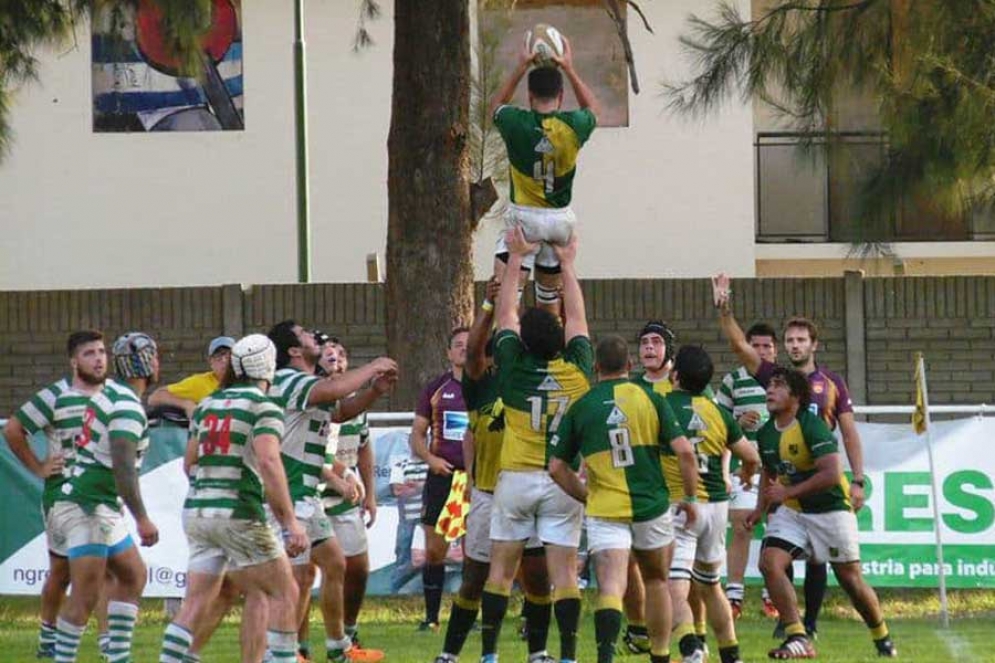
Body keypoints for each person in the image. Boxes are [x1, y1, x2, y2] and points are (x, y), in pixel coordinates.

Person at [712, 273, 867, 638]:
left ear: (814, 344)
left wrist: (858, 479)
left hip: (821, 479)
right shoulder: (775, 377)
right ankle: (790, 619)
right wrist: (724, 309)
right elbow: (740, 347)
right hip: (784, 477)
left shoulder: (832, 384)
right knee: (779, 549)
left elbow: (848, 432)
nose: (795, 345)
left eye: (801, 340)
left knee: (818, 557)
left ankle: (808, 624)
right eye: (790, 340)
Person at [548, 334, 699, 663]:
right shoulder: (651, 398)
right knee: (657, 580)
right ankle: (660, 655)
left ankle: (606, 657)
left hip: (606, 509)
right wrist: (689, 497)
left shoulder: (582, 406)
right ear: (630, 365)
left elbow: (556, 467)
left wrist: (586, 496)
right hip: (652, 506)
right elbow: (686, 453)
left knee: (611, 586)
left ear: (595, 367)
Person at [159, 334, 309, 663]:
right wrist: (290, 522)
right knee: (285, 592)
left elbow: (190, 463)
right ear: (268, 367)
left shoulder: (208, 404)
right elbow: (269, 461)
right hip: (240, 513)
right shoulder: (264, 406)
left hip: (199, 513)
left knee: (196, 602)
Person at [479, 227, 592, 663]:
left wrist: (515, 258)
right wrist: (567, 262)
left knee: (501, 572)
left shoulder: (511, 367)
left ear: (523, 342)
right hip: (562, 482)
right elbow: (578, 319)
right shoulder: (578, 370)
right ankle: (566, 655)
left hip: (517, 480)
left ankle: (489, 654)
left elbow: (506, 311)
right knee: (564, 574)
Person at [434, 281, 554, 663]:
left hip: (529, 489)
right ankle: (450, 654)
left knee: (535, 576)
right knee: (474, 577)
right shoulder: (480, 388)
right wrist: (488, 305)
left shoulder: (531, 383)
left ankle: (538, 653)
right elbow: (471, 352)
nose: (490, 360)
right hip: (488, 494)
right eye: (488, 356)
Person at [267, 320, 397, 663]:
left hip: (306, 494)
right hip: (290, 495)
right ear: (294, 350)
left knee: (335, 563)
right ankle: (285, 652)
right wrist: (373, 367)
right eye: (306, 335)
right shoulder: (288, 379)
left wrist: (374, 392)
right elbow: (333, 393)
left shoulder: (309, 383)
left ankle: (339, 649)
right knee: (297, 575)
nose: (315, 338)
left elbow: (339, 411)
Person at [746, 368, 897, 659]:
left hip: (831, 511)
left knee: (850, 581)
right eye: (769, 385)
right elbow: (769, 471)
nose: (770, 390)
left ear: (797, 397)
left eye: (779, 385)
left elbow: (830, 474)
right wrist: (758, 510)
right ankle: (797, 635)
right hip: (793, 512)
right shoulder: (766, 433)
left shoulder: (811, 426)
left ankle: (882, 636)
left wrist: (786, 493)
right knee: (769, 563)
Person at [50, 332, 161, 663]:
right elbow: (123, 467)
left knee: (133, 574)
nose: (158, 363)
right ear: (143, 362)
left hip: (89, 501)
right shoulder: (127, 404)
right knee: (85, 595)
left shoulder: (111, 391)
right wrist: (142, 518)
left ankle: (118, 657)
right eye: (153, 356)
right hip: (87, 507)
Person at [3, 331, 110, 659]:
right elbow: (13, 429)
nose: (99, 358)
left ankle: (109, 645)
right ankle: (49, 636)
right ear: (74, 361)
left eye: (102, 351)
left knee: (105, 570)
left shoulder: (113, 396)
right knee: (62, 573)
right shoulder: (55, 396)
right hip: (64, 498)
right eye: (90, 353)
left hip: (102, 496)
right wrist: (37, 466)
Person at [489, 32, 599, 312]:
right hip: (560, 221)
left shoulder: (516, 122)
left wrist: (521, 66)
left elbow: (494, 108)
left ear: (529, 96)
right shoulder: (574, 125)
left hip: (524, 217)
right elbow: (593, 109)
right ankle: (549, 347)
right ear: (561, 96)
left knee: (508, 296)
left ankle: (507, 342)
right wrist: (569, 68)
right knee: (548, 298)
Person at [663, 345, 760, 663]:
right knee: (710, 583)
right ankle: (731, 654)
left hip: (682, 503)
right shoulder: (718, 412)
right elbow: (751, 457)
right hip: (717, 506)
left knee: (673, 581)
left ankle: (690, 648)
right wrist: (746, 475)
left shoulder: (661, 407)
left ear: (674, 374)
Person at [318, 338, 382, 656]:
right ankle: (297, 647)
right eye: (329, 356)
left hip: (345, 497)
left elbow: (364, 446)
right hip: (310, 495)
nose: (337, 360)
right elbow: (315, 452)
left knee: (357, 568)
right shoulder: (314, 398)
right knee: (301, 575)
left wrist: (371, 494)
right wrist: (341, 475)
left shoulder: (353, 404)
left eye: (342, 355)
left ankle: (349, 633)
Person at [716, 322, 779, 620]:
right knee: (742, 524)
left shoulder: (783, 380)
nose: (762, 351)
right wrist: (737, 425)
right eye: (757, 345)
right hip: (746, 468)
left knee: (778, 530)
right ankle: (734, 596)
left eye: (767, 346)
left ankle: (773, 596)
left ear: (775, 350)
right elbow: (718, 427)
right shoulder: (732, 381)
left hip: (778, 467)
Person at [409, 328, 470, 632]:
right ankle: (432, 617)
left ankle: (471, 616)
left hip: (475, 481)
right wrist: (431, 460)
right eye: (458, 345)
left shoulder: (488, 386)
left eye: (470, 345)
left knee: (476, 550)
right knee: (435, 550)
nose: (464, 349)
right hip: (442, 479)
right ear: (448, 353)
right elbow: (416, 436)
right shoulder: (436, 388)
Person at [148, 336, 235, 417]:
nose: (224, 360)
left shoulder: (246, 381)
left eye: (228, 356)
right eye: (218, 356)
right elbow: (154, 398)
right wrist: (186, 404)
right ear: (210, 362)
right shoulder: (199, 383)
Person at [389, 448, 429, 593]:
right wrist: (423, 487)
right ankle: (396, 590)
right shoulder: (401, 465)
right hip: (407, 521)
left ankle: (419, 590)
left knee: (426, 558)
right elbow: (398, 491)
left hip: (427, 520)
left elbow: (435, 488)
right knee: (404, 559)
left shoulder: (432, 465)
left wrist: (416, 486)